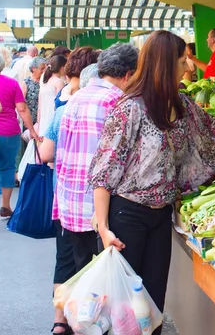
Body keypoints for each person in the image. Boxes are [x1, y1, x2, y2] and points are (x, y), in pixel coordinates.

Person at [88, 31, 215, 335]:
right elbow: (104, 170)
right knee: (124, 312)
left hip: (161, 215)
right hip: (127, 217)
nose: (187, 69)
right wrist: (103, 227)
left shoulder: (181, 105)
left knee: (152, 306)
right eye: (182, 62)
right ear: (165, 65)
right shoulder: (129, 109)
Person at [55, 43, 139, 273]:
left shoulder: (75, 97)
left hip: (72, 205)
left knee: (85, 282)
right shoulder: (118, 101)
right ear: (129, 74)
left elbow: (61, 154)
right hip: (101, 212)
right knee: (112, 289)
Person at [40, 63, 98, 335]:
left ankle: (60, 320)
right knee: (95, 262)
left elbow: (46, 154)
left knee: (65, 260)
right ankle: (88, 319)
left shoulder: (63, 113)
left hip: (65, 200)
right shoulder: (113, 112)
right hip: (99, 205)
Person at [0, 51, 37, 223]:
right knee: (8, 167)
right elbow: (22, 109)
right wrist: (31, 129)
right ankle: (6, 206)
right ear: (2, 65)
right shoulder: (12, 83)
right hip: (9, 132)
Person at [39, 54, 67, 135]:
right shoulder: (59, 82)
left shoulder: (44, 81)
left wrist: (39, 123)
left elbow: (39, 107)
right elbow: (59, 104)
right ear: (62, 68)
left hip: (44, 121)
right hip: (53, 119)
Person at [20, 57, 48, 126]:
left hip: (44, 119)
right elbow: (21, 103)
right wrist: (24, 119)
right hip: (30, 120)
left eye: (45, 68)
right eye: (41, 69)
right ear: (33, 69)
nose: (44, 71)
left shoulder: (46, 82)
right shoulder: (26, 83)